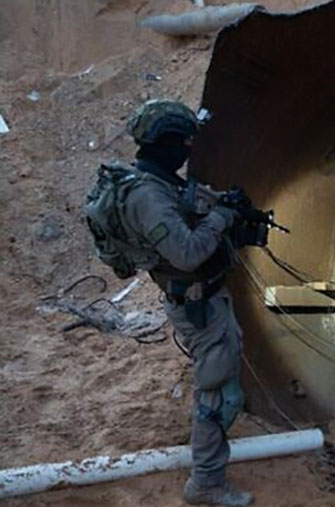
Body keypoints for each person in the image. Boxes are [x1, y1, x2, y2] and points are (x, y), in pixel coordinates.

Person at [86, 100, 254, 505]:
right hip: (197, 304)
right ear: (163, 144)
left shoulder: (156, 180)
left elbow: (185, 202)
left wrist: (219, 203)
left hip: (206, 299)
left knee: (222, 381)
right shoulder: (146, 196)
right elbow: (187, 253)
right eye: (182, 141)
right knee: (214, 394)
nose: (188, 148)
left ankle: (209, 452)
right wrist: (222, 220)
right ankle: (207, 484)